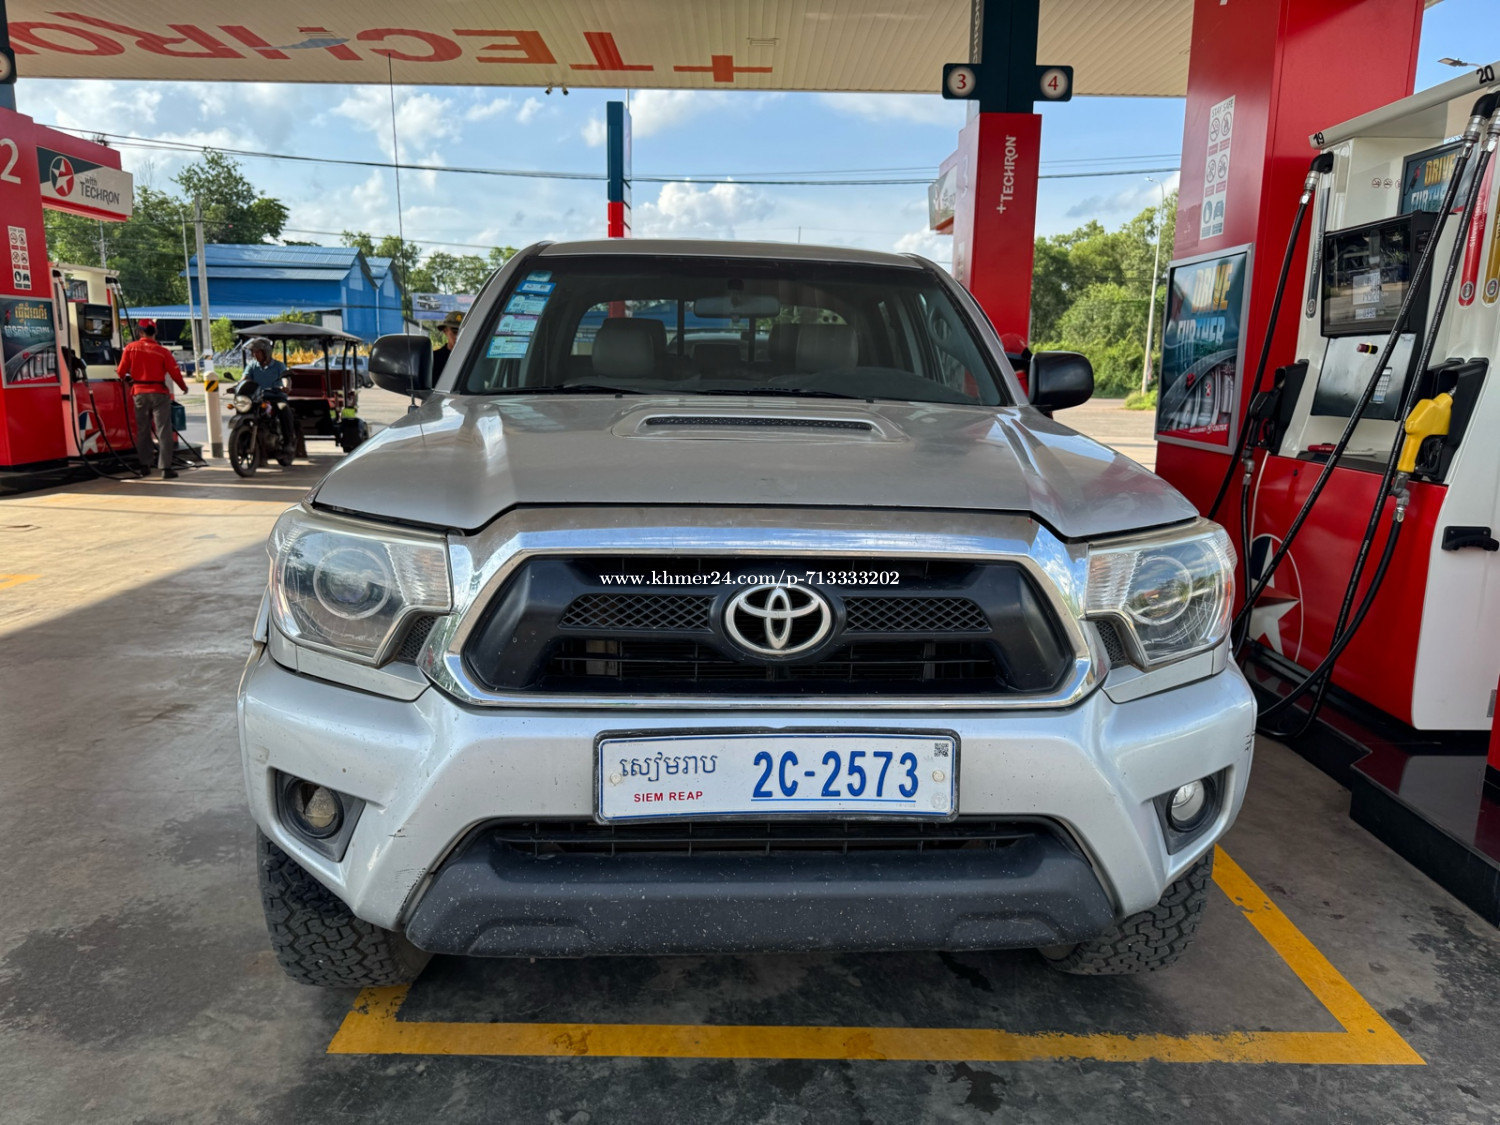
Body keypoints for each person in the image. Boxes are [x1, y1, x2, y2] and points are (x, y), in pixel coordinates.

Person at [116, 320, 187, 479]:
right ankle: (166, 468)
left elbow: (120, 372)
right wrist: (183, 387)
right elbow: (175, 373)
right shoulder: (163, 351)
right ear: (155, 332)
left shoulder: (130, 348)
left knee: (143, 430)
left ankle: (145, 466)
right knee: (163, 430)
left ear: (140, 332)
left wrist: (129, 378)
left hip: (139, 393)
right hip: (159, 393)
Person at [242, 336, 297, 451]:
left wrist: (286, 387)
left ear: (265, 352)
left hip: (276, 397)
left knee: (283, 409)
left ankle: (288, 442)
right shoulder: (252, 365)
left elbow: (286, 378)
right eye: (253, 352)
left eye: (257, 352)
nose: (254, 355)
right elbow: (245, 378)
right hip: (257, 398)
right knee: (242, 408)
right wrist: (236, 386)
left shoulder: (278, 365)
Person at [431, 311, 462, 380]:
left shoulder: (475, 358)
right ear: (445, 331)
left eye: (463, 332)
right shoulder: (433, 360)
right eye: (455, 332)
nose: (459, 336)